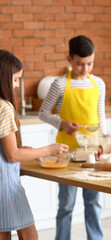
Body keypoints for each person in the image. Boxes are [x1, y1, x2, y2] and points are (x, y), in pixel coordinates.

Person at [39, 35, 106, 240]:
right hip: (66, 154)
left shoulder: (99, 84)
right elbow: (43, 112)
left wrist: (104, 145)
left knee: (93, 203)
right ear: (69, 60)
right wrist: (62, 123)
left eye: (90, 64)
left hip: (93, 154)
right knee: (66, 205)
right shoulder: (59, 85)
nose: (85, 69)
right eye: (80, 64)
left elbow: (101, 117)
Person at [0, 50, 69, 240]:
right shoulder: (4, 108)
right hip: (5, 188)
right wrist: (49, 149)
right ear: (3, 78)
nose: (15, 86)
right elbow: (12, 155)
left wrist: (26, 151)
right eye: (15, 80)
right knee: (30, 237)